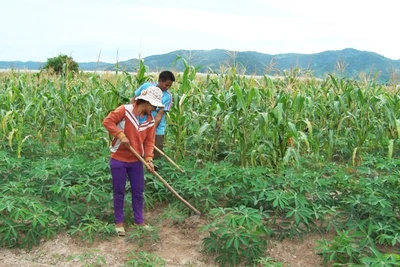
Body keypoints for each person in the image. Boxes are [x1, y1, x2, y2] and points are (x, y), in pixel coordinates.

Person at [103, 86, 164, 236]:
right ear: (146, 101)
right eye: (154, 105)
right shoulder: (125, 110)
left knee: (138, 191)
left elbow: (149, 142)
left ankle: (139, 221)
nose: (155, 108)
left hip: (137, 161)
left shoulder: (149, 121)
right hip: (119, 159)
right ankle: (119, 222)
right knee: (119, 191)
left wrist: (149, 159)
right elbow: (108, 122)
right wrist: (120, 135)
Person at [135, 70, 175, 160]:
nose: (168, 88)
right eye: (166, 85)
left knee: (155, 154)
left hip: (157, 128)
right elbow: (134, 100)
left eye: (170, 86)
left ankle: (155, 170)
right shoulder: (146, 87)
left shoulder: (167, 96)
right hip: (139, 123)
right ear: (160, 81)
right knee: (137, 151)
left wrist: (150, 131)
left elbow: (159, 116)